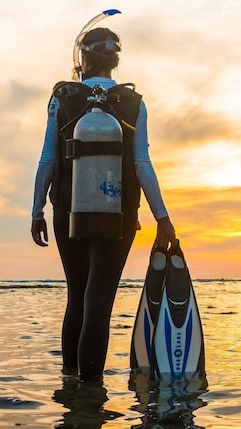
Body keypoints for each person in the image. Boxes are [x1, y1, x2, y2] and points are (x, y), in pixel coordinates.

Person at [31, 26, 176, 382]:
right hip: (119, 216)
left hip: (68, 212)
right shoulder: (134, 102)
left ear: (83, 59)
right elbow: (142, 163)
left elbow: (47, 159)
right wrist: (163, 217)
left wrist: (37, 210)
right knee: (99, 301)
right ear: (115, 60)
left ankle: (70, 390)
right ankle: (91, 393)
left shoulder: (62, 97)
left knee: (77, 297)